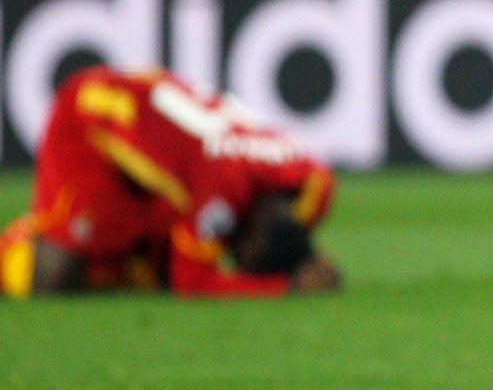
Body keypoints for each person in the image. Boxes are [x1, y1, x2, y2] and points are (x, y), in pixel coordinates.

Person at [1, 66, 340, 299]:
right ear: (250, 238)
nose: (233, 255)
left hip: (152, 112)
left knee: (150, 260)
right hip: (91, 115)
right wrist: (283, 285)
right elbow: (190, 282)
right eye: (242, 255)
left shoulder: (313, 177)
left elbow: (287, 226)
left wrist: (301, 256)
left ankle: (124, 258)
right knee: (55, 275)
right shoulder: (225, 187)